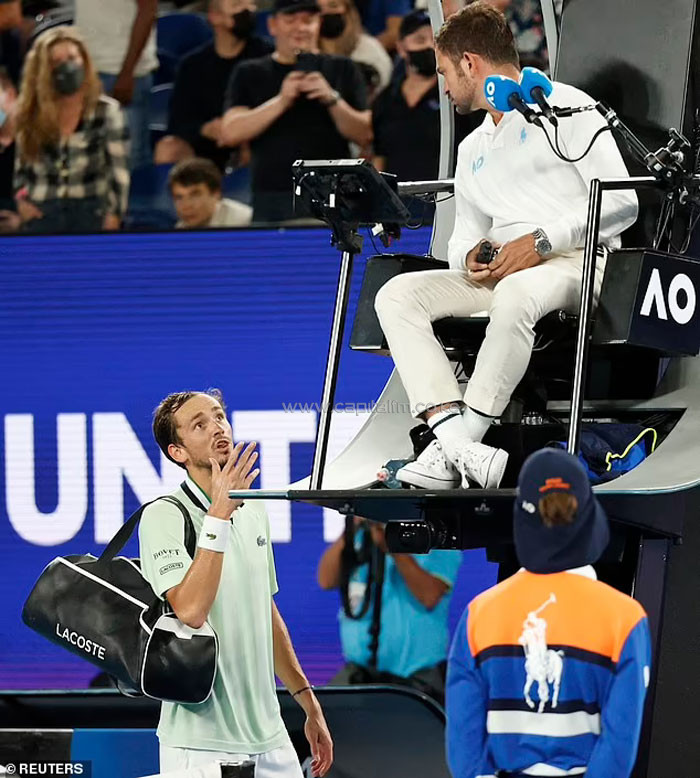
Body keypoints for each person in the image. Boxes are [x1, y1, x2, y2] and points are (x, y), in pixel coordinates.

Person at [374, 3, 638, 490]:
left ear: (471, 63)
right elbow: (462, 238)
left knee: (518, 295)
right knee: (395, 295)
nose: (445, 87)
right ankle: (459, 445)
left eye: (445, 73)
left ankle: (455, 447)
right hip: (502, 274)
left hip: (577, 264)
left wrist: (541, 242)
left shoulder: (567, 107)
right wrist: (469, 256)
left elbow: (624, 204)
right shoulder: (472, 147)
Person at [140, 389, 334, 775]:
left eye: (219, 417)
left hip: (272, 737)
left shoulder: (254, 509)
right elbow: (191, 610)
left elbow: (265, 611)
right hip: (200, 746)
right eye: (199, 425)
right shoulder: (163, 516)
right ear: (177, 452)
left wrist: (308, 703)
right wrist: (218, 518)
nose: (217, 428)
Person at [446, 447, 652, 777]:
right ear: (589, 516)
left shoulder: (479, 615)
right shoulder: (625, 618)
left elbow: (464, 745)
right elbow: (619, 747)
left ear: (520, 517)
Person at [221, 0, 371, 223]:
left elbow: (366, 133)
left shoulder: (343, 68)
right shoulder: (250, 72)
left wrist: (332, 99)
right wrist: (281, 101)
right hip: (271, 196)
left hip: (331, 195)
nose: (300, 28)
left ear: (319, 23)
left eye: (308, 20)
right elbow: (230, 133)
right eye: (290, 20)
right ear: (273, 25)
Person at [318, 517, 462, 704]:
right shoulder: (360, 535)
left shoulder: (436, 534)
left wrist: (394, 544)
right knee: (325, 716)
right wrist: (352, 525)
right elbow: (326, 580)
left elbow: (429, 595)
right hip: (358, 675)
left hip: (417, 681)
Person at [14, 26, 129, 233]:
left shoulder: (106, 111)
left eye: (72, 58)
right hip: (42, 212)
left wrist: (114, 215)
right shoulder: (30, 112)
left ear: (84, 61)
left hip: (90, 211)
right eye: (56, 62)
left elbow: (119, 172)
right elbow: (21, 169)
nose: (66, 66)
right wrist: (21, 202)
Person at [155, 0, 274, 170]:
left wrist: (242, 130)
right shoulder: (193, 65)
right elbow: (178, 121)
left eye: (251, 5)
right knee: (168, 147)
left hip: (254, 140)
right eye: (237, 5)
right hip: (206, 146)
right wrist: (206, 129)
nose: (247, 10)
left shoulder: (267, 57)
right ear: (215, 17)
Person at [372, 10, 482, 185]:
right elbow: (380, 156)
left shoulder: (459, 95)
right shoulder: (385, 100)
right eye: (420, 40)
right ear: (401, 47)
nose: (429, 46)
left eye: (435, 41)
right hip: (399, 203)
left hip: (447, 198)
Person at [74, 0, 157, 170]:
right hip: (87, 70)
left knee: (131, 160)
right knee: (90, 159)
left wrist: (127, 73)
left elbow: (148, 12)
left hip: (121, 72)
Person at [318, 0, 393, 97]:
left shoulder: (369, 48)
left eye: (333, 6)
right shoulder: (305, 51)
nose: (325, 12)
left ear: (348, 11)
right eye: (319, 8)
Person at [170, 157, 252, 227]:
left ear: (216, 194)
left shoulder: (244, 223)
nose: (186, 206)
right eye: (179, 197)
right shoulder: (181, 227)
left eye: (195, 195)